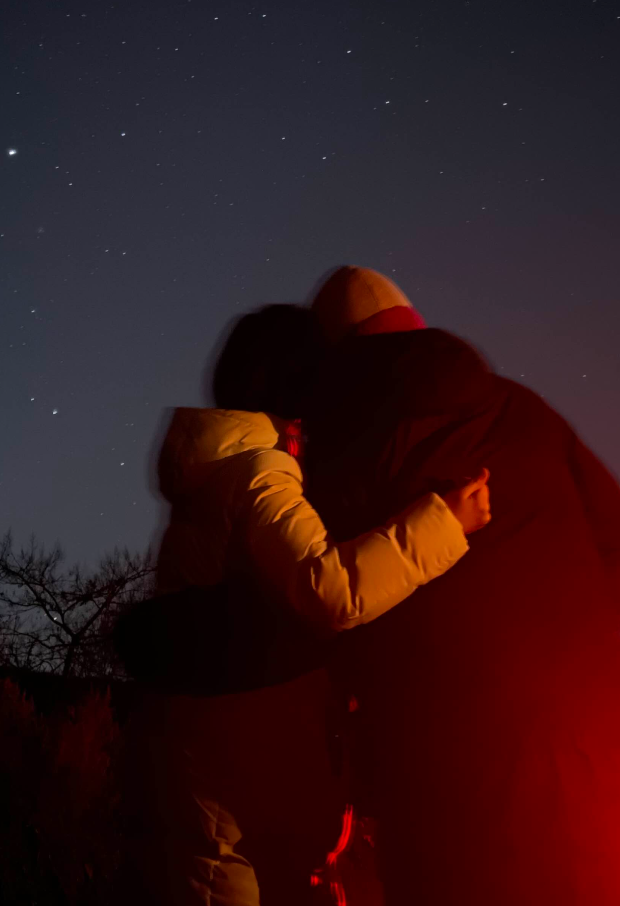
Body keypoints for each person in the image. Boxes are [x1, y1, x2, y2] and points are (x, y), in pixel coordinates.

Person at [305, 265, 620, 906]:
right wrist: (583, 644)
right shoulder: (524, 407)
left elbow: (341, 609)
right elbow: (619, 534)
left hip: (451, 777)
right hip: (598, 744)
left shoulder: (349, 448)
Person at [137, 303, 490, 906]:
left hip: (206, 741)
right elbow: (332, 589)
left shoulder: (214, 472)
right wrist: (444, 523)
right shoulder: (259, 472)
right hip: (244, 750)